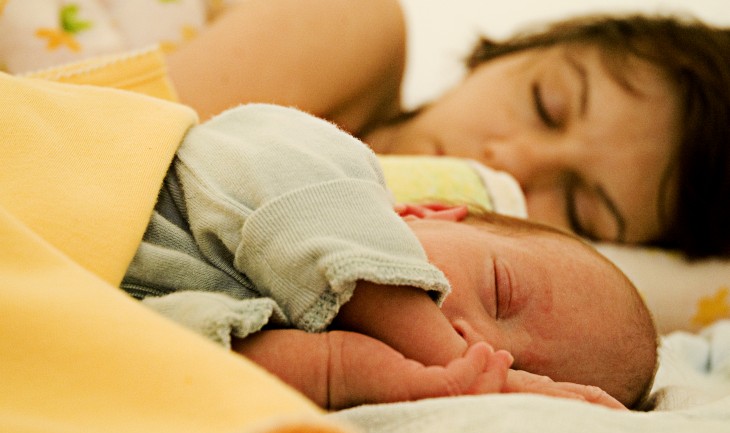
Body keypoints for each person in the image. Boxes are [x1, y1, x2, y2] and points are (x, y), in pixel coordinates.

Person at [121, 102, 657, 411]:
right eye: (499, 292)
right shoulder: (328, 165)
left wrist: (335, 373)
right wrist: (447, 359)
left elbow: (141, 352)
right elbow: (294, 200)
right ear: (430, 212)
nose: (481, 351)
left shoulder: (259, 315)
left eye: (516, 371)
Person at [160, 0, 730, 258]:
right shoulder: (356, 23)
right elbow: (105, 148)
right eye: (546, 103)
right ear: (506, 53)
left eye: (583, 211)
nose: (512, 160)